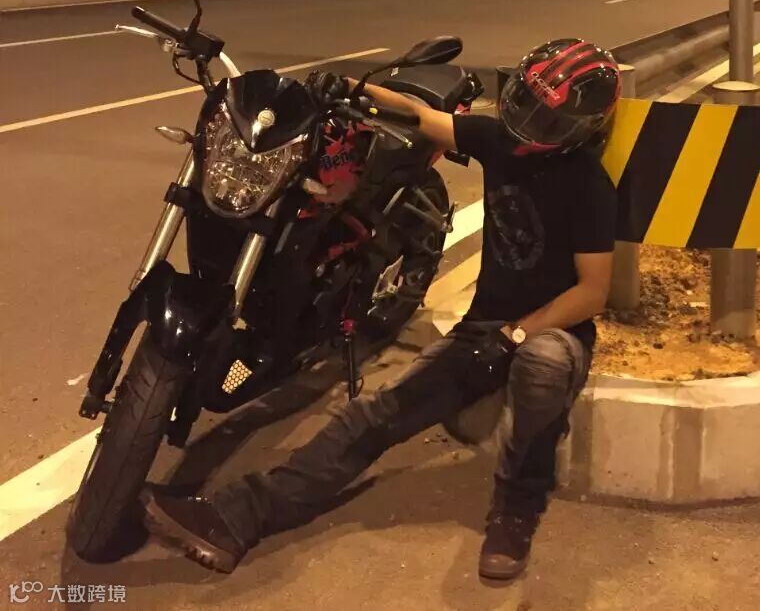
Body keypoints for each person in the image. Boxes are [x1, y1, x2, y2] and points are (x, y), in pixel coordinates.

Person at [142, 37, 620, 583]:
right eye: (527, 104)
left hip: (550, 331)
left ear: (581, 129)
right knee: (373, 417)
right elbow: (421, 117)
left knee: (544, 364)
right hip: (480, 331)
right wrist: (350, 88)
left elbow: (592, 292)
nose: (529, 123)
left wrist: (513, 336)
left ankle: (517, 510)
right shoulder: (498, 141)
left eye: (547, 118)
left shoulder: (588, 185)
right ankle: (237, 518)